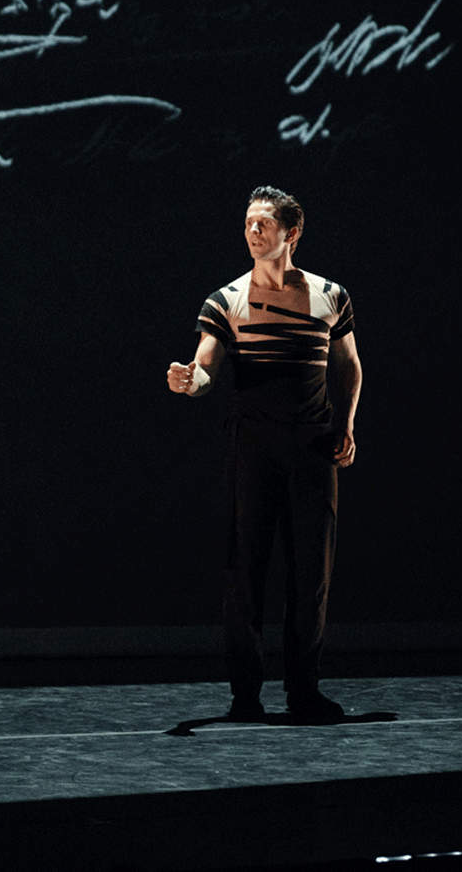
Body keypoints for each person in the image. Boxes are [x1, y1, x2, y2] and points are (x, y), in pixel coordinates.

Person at [166, 185, 361, 722]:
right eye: (248, 223)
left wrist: (345, 424)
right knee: (245, 570)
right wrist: (191, 380)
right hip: (253, 444)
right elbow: (207, 365)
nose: (253, 232)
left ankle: (304, 690)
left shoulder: (330, 295)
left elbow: (348, 365)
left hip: (313, 445)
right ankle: (245, 695)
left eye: (263, 225)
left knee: (311, 574)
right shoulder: (225, 299)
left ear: (290, 233)